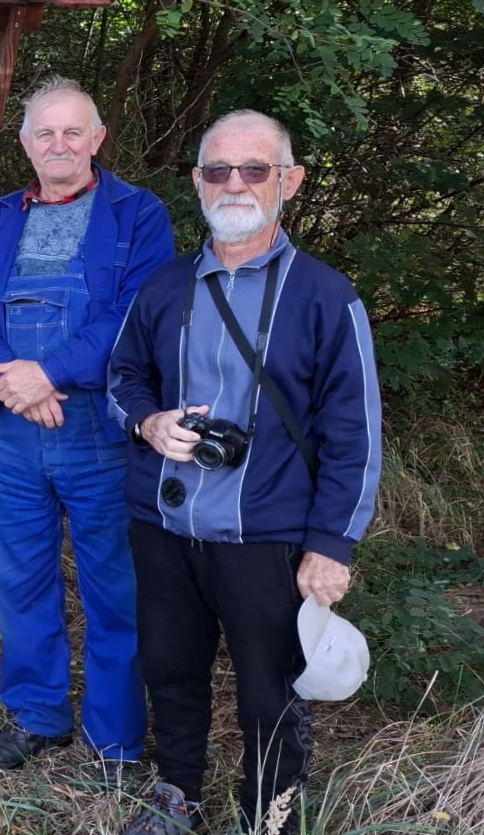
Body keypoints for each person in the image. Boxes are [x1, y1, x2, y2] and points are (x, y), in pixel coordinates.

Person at [107, 110, 382, 835]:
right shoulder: (165, 287)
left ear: (288, 181)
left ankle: (270, 813)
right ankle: (177, 793)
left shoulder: (327, 297)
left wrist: (333, 542)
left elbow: (355, 432)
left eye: (255, 169)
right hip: (164, 523)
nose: (235, 183)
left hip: (269, 532)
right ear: (197, 180)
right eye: (219, 169)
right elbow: (122, 373)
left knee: (270, 689)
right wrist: (147, 420)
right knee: (169, 668)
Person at [0, 77, 175, 776]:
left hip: (101, 432)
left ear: (98, 139)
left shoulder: (140, 214)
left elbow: (135, 313)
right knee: (17, 579)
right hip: (14, 434)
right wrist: (13, 380)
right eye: (45, 133)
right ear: (25, 144)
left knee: (117, 587)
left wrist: (51, 375)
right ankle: (39, 717)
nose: (59, 144)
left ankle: (117, 741)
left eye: (74, 131)